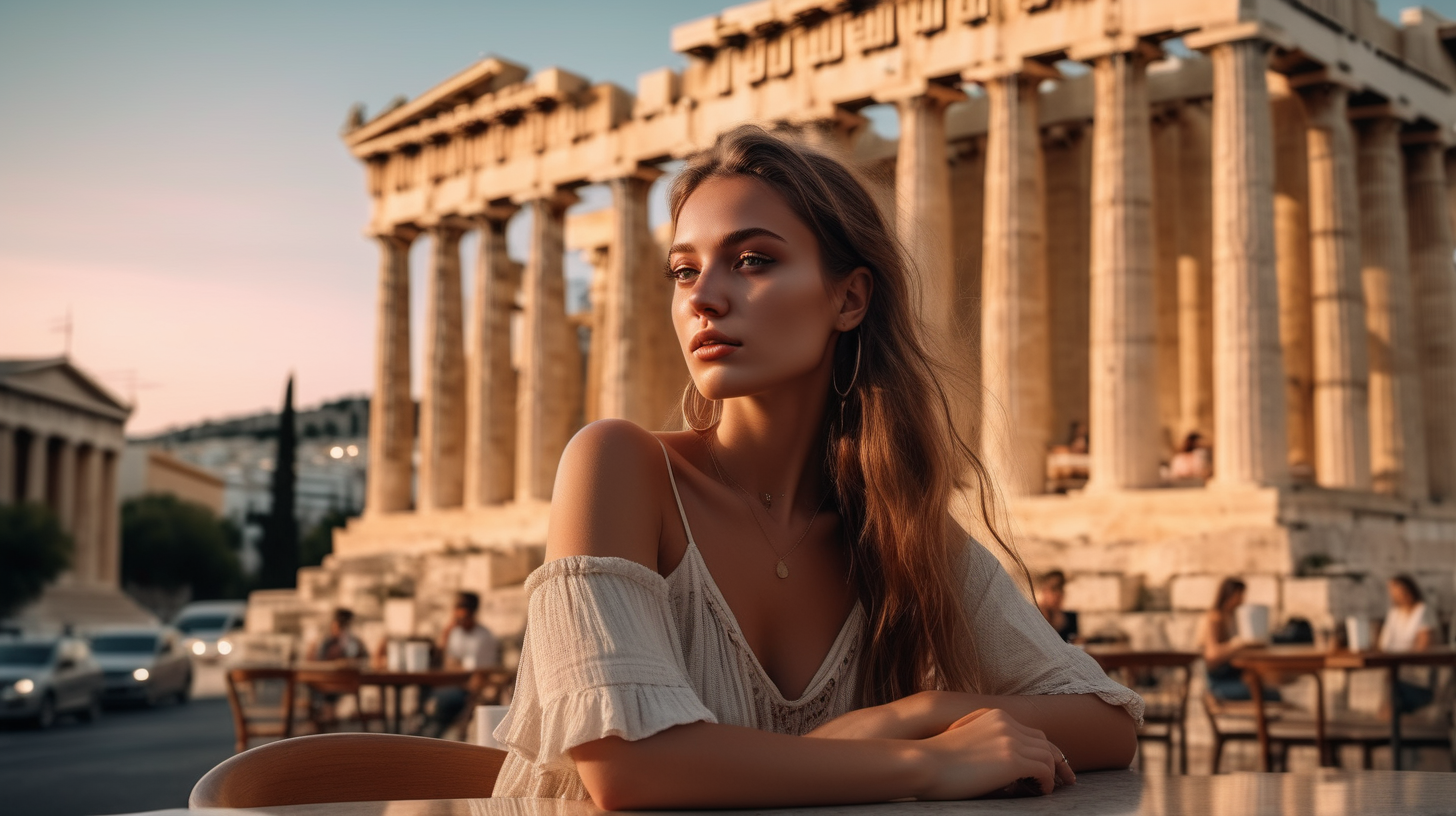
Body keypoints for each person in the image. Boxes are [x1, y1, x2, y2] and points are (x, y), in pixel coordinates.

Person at [491, 126, 1141, 808]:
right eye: (684, 270)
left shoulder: (891, 524)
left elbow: (1107, 722)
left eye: (751, 260)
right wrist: (924, 764)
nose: (703, 297)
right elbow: (630, 770)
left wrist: (914, 714)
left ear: (849, 299)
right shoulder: (619, 466)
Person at [425, 592, 499, 737]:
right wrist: (444, 638)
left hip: (467, 689)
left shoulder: (484, 637)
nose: (459, 620)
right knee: (426, 697)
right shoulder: (454, 633)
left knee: (439, 703)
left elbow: (480, 674)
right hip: (450, 684)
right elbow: (444, 663)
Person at [1196, 578, 1272, 701]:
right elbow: (1212, 656)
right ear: (1230, 595)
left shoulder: (1232, 617)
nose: (1242, 599)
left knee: (1268, 689)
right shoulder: (1215, 618)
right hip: (1220, 683)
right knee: (1267, 694)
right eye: (1240, 595)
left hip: (1235, 677)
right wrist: (1238, 644)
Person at [1377, 574, 1436, 714]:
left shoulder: (1423, 610)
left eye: (1400, 591)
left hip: (1414, 671)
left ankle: (1392, 722)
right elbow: (1383, 644)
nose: (1397, 595)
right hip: (1393, 666)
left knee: (1393, 690)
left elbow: (1423, 644)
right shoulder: (1394, 613)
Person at [1036, 571, 1079, 644]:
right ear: (1044, 590)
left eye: (1061, 588)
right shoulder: (1034, 615)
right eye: (1054, 589)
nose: (1058, 594)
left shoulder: (1070, 617)